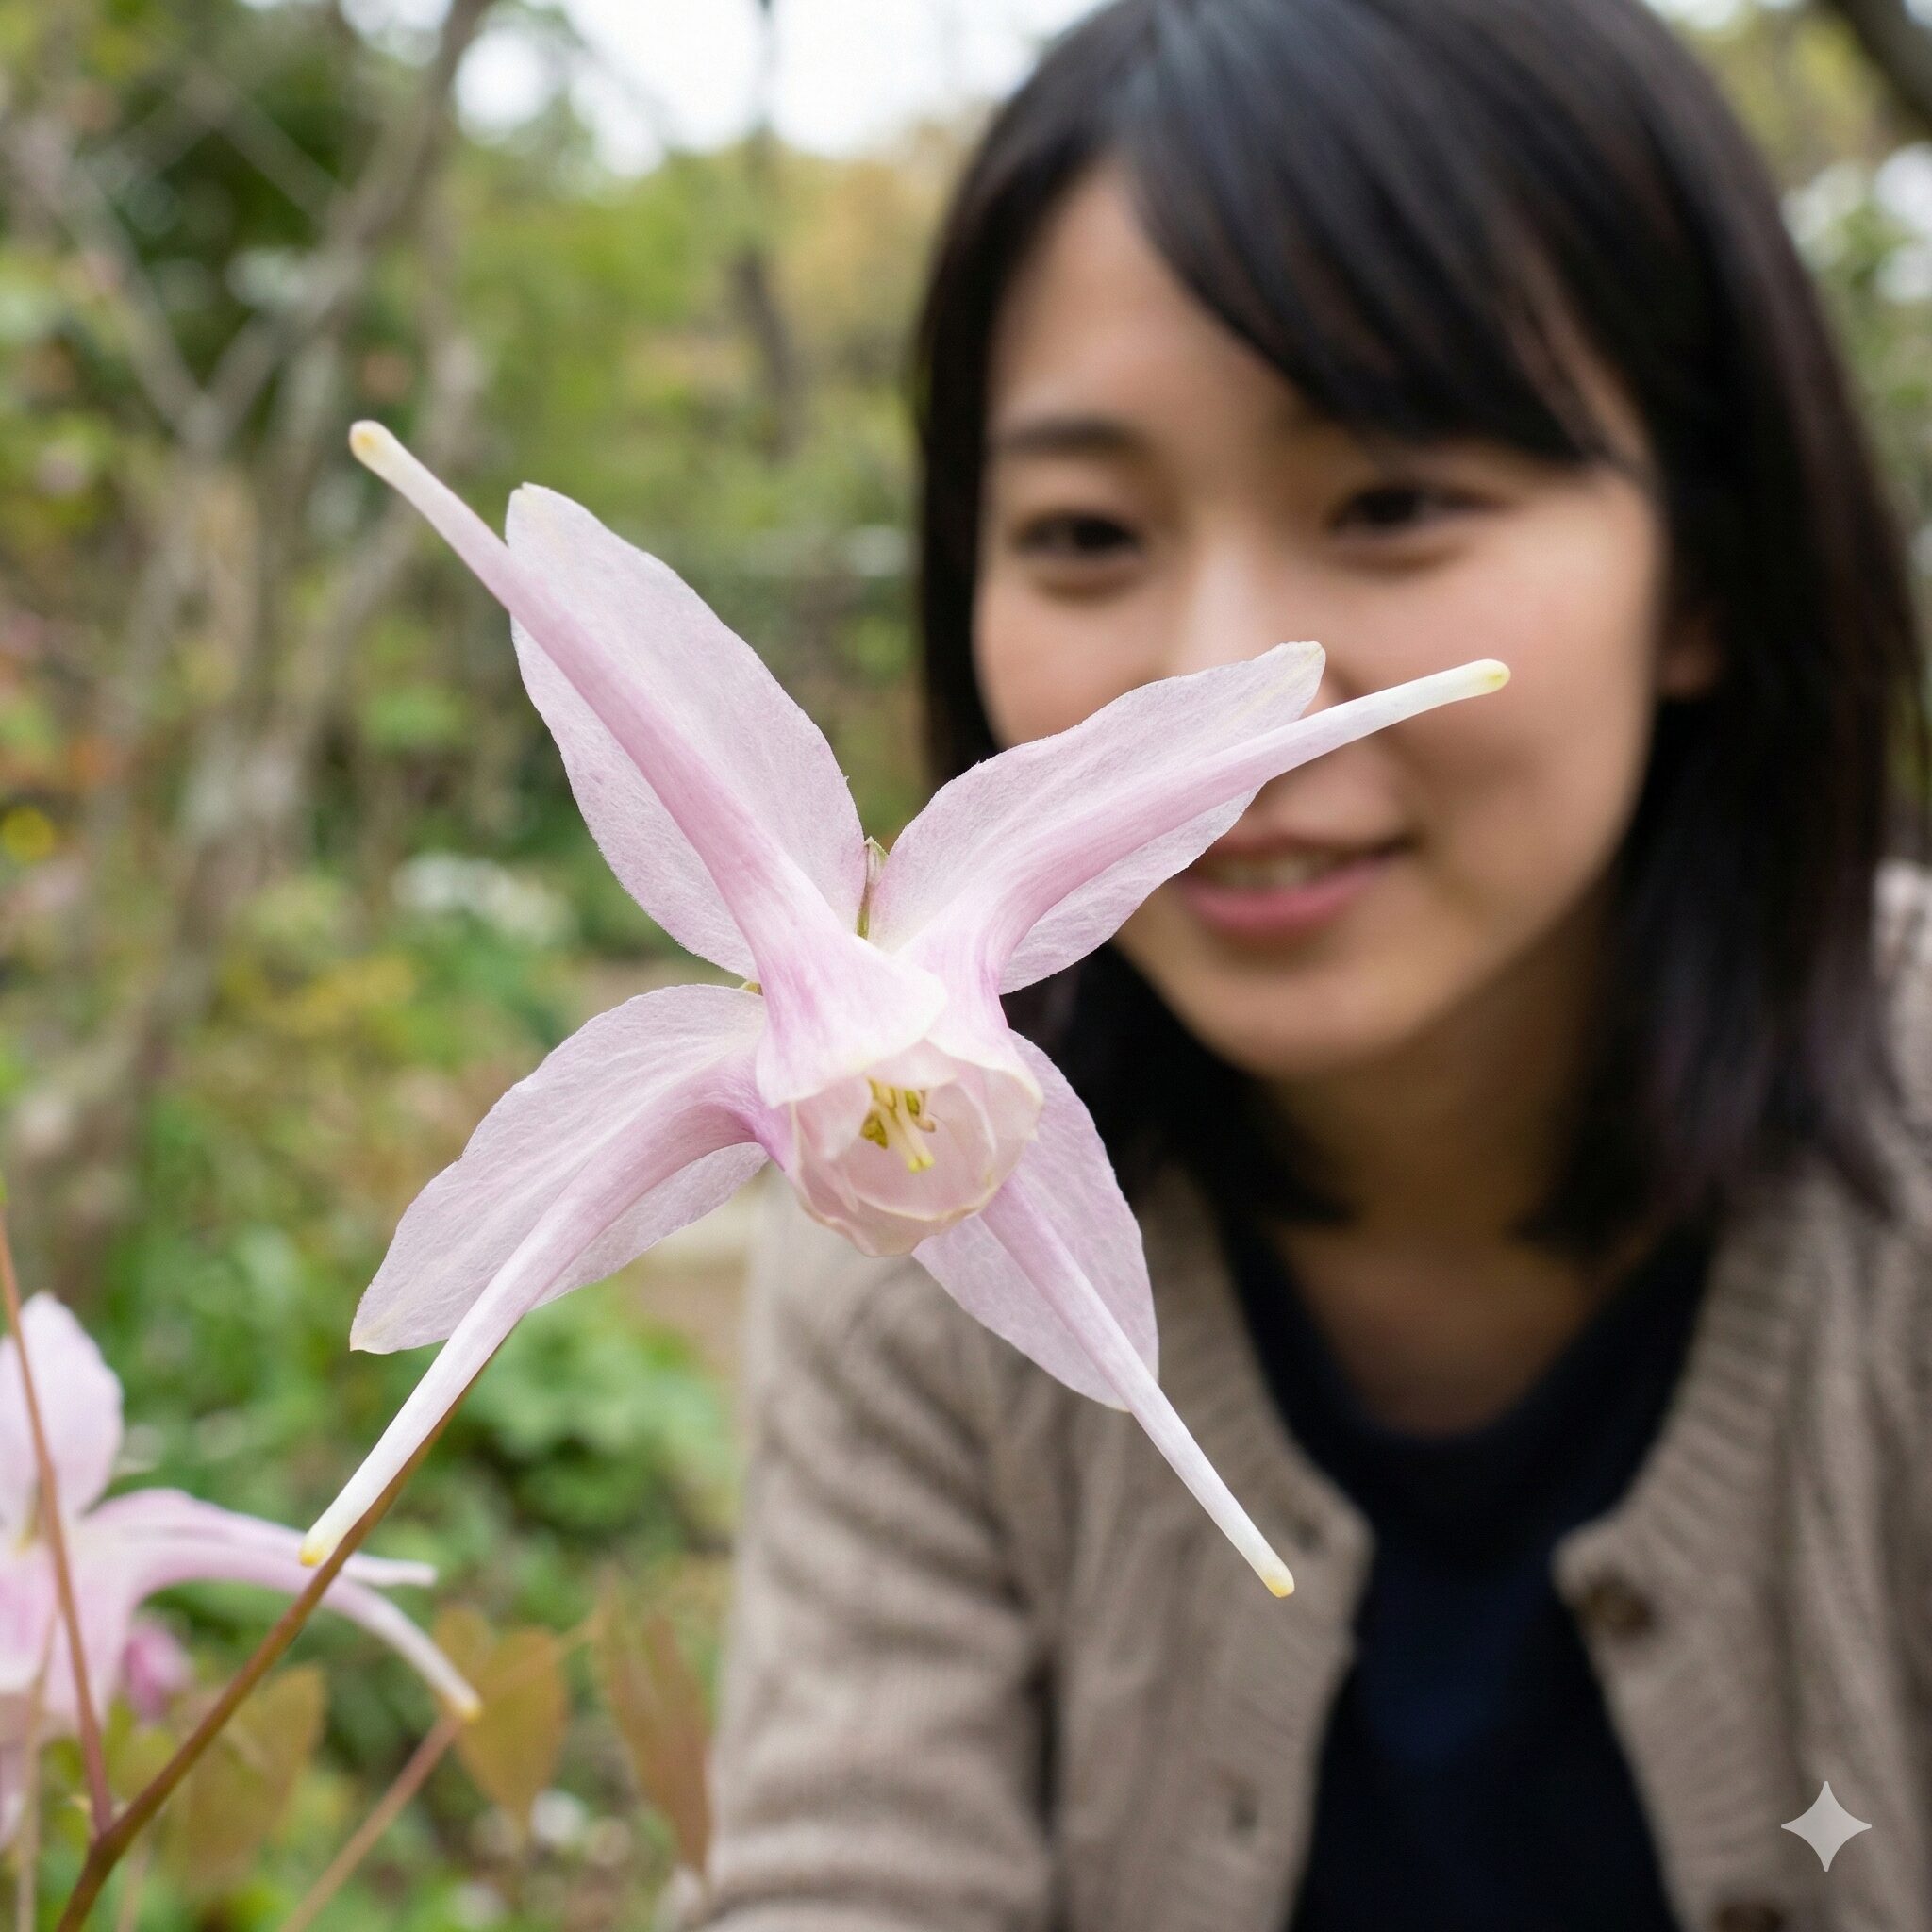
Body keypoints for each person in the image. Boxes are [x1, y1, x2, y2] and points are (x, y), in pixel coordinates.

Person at [690, 2, 1932, 1928]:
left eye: (1395, 502)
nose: (1218, 713)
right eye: (1086, 531)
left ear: (1703, 566)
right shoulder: (901, 1176)